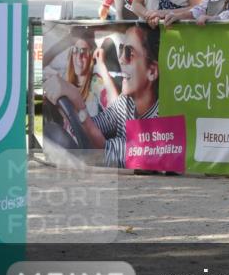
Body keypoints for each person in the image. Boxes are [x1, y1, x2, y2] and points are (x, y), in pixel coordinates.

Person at [43, 24, 160, 168]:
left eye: (129, 52)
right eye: (121, 49)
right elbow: (93, 128)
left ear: (152, 72)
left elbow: (105, 153)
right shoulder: (127, 102)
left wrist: (77, 102)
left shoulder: (160, 123)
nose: (121, 59)